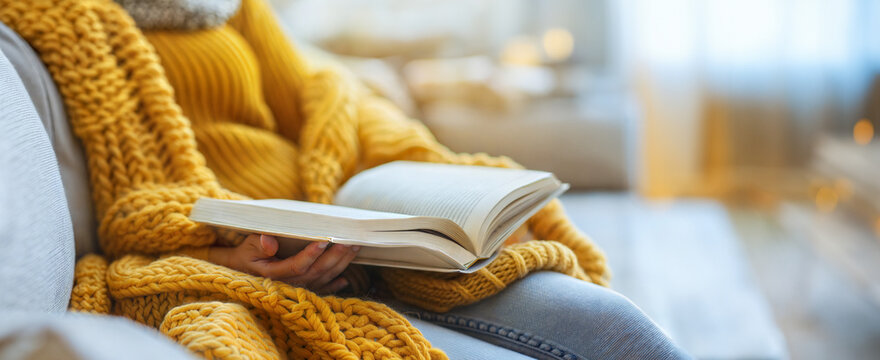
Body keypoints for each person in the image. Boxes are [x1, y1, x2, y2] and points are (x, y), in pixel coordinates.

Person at [0, 0, 691, 358]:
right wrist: (223, 257)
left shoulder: (227, 5)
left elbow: (316, 93)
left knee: (614, 327)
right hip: (267, 246)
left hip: (348, 218)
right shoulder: (66, 22)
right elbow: (129, 210)